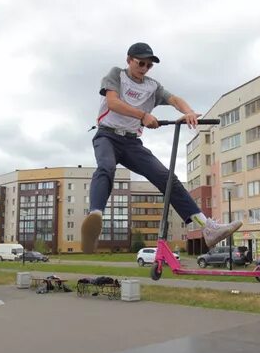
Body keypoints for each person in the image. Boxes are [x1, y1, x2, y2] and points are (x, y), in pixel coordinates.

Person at [81, 42, 242, 253]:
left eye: (149, 65)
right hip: (107, 135)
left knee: (168, 179)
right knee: (106, 167)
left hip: (131, 143)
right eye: (141, 63)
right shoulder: (116, 75)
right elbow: (113, 102)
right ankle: (95, 217)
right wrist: (143, 115)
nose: (144, 69)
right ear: (129, 60)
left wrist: (188, 111)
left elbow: (173, 99)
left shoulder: (152, 86)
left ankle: (208, 228)